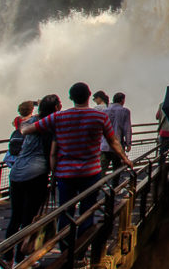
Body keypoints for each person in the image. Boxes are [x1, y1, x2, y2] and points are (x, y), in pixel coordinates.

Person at [21, 82, 133, 243]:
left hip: (65, 173)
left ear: (71, 98)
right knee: (88, 210)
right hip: (90, 172)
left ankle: (66, 247)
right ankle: (81, 247)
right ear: (89, 96)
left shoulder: (59, 117)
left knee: (65, 211)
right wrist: (125, 159)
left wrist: (27, 121)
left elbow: (28, 130)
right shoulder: (100, 117)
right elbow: (113, 141)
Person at [5, 94, 61, 263]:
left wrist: (37, 105)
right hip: (36, 174)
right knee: (28, 218)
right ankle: (20, 259)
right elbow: (52, 154)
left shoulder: (30, 122)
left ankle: (6, 258)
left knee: (15, 216)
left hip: (16, 172)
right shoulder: (53, 126)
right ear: (56, 108)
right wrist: (54, 176)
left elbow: (22, 127)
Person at [100, 92, 132, 172]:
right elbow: (127, 128)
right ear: (122, 100)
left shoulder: (104, 111)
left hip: (104, 145)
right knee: (117, 169)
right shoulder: (125, 111)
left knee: (102, 170)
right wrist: (128, 143)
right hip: (118, 145)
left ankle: (100, 184)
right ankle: (115, 184)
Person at [4, 101, 36, 167]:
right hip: (28, 151)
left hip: (16, 154)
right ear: (31, 110)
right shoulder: (33, 119)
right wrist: (37, 103)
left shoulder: (17, 120)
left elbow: (13, 123)